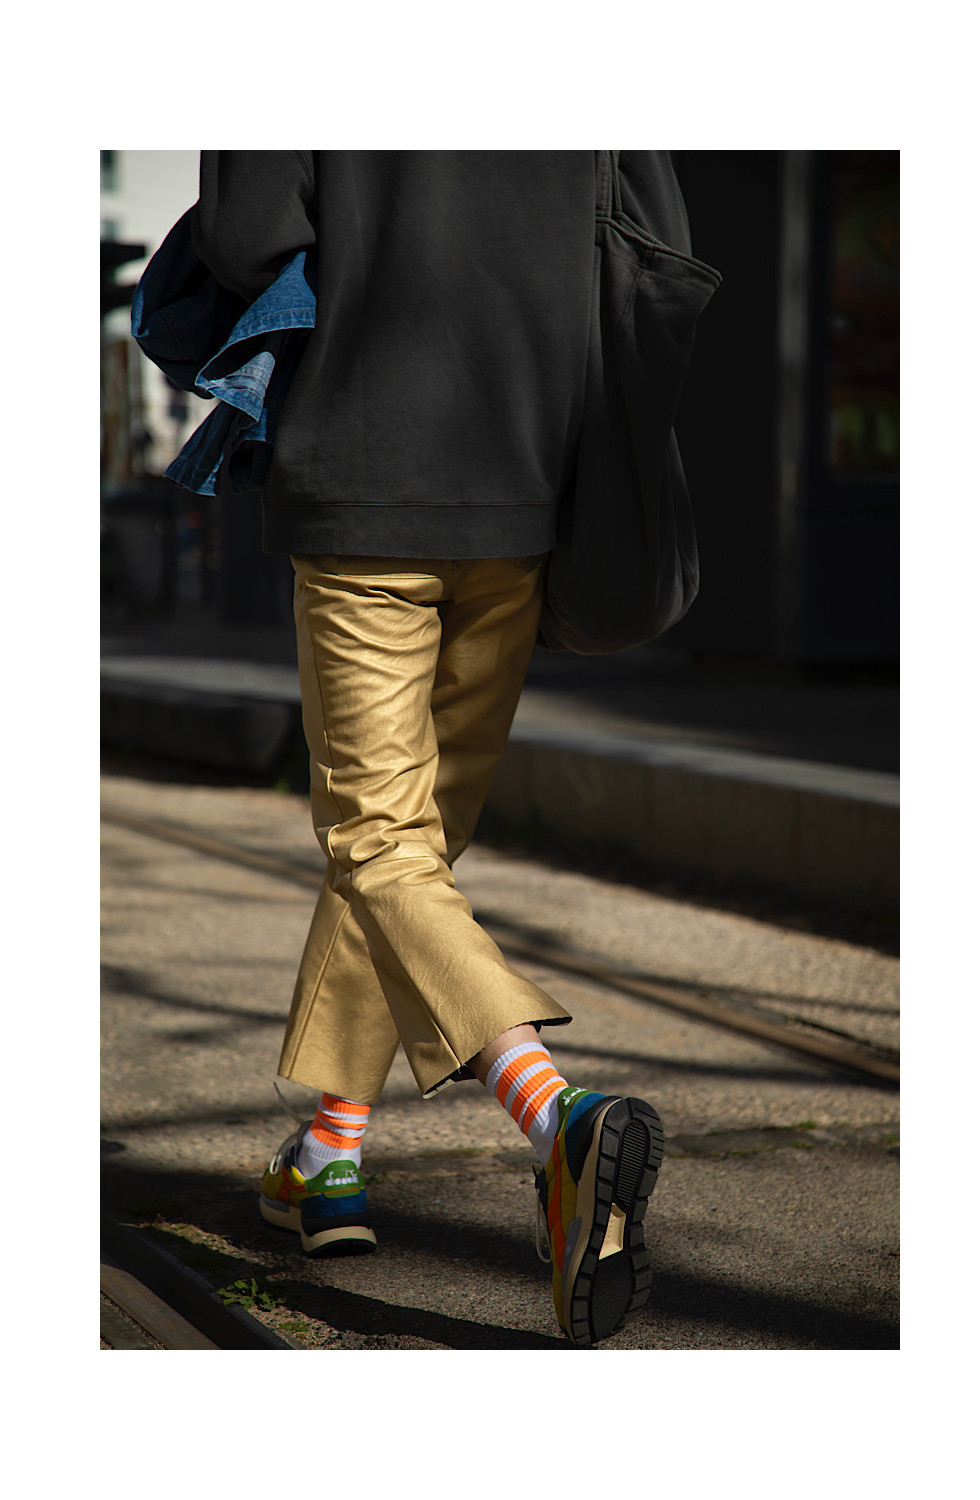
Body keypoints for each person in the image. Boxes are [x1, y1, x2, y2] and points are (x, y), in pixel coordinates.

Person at [191, 150, 693, 1347]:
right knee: (413, 849)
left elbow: (246, 235)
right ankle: (327, 1156)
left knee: (379, 842)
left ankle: (555, 1118)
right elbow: (655, 227)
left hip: (365, 470)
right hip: (524, 479)